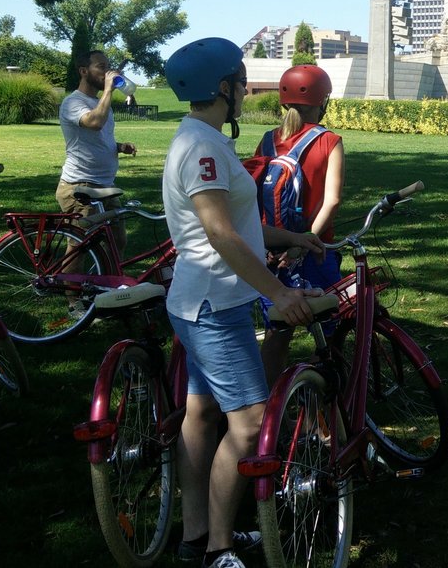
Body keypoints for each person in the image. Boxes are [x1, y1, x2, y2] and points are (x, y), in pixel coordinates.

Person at [162, 38, 323, 568]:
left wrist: (290, 239)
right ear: (223, 88)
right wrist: (277, 291)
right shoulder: (204, 148)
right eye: (239, 82)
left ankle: (195, 536)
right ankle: (218, 549)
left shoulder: (201, 139)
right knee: (251, 422)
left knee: (202, 412)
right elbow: (218, 232)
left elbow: (243, 228)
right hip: (213, 304)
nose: (244, 92)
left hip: (199, 301)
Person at [255, 64, 345, 384]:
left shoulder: (267, 141)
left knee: (277, 334)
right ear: (323, 102)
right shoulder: (330, 141)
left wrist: (279, 242)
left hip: (272, 252)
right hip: (317, 251)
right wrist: (305, 241)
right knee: (330, 334)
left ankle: (266, 412)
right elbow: (331, 200)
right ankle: (319, 411)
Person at [57, 50, 138, 254]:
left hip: (105, 186)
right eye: (101, 67)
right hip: (81, 187)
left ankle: (105, 285)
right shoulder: (73, 102)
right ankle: (68, 287)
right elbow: (94, 123)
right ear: (84, 71)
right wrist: (109, 90)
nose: (108, 72)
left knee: (116, 243)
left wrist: (118, 147)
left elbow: (97, 137)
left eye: (108, 66)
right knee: (79, 249)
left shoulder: (101, 104)